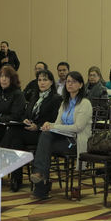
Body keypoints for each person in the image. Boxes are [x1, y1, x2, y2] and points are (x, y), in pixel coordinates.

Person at [29, 71, 93, 199]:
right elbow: (58, 124)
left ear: (81, 85)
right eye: (68, 81)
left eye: (74, 82)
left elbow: (78, 127)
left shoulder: (85, 103)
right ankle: (41, 182)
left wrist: (54, 126)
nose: (70, 84)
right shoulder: (65, 103)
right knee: (46, 135)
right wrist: (49, 125)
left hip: (75, 142)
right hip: (64, 139)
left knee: (45, 144)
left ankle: (41, 182)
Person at [0, 69, 62, 191]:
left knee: (13, 132)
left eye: (45, 80)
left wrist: (37, 126)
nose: (42, 82)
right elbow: (26, 114)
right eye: (39, 80)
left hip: (43, 134)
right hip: (29, 131)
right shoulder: (35, 97)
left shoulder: (56, 99)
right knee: (16, 141)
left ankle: (1, 161)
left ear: (51, 82)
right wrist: (25, 120)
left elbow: (54, 120)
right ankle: (16, 179)